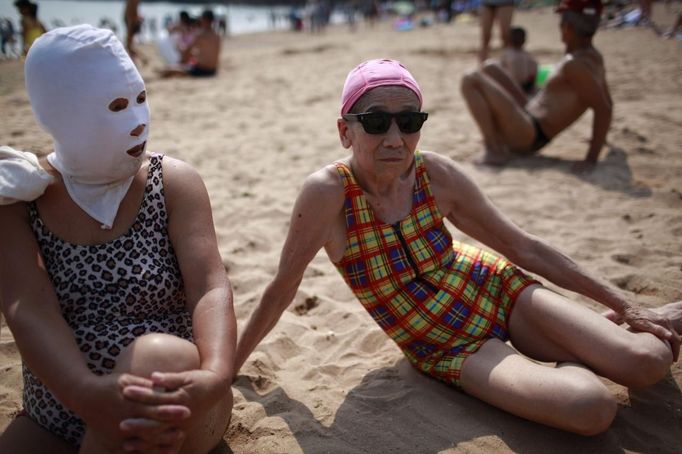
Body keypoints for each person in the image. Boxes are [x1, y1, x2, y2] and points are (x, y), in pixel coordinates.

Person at [234, 57, 681, 436]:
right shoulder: (328, 193)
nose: (395, 138)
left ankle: (600, 332)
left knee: (648, 360)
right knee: (591, 409)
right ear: (345, 131)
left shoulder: (435, 174)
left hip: (495, 288)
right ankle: (583, 343)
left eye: (409, 122)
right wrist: (228, 368)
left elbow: (523, 247)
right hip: (448, 345)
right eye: (375, 122)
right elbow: (281, 288)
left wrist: (629, 305)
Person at [0, 25, 235, 453]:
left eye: (142, 100)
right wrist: (85, 394)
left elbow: (209, 286)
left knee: (156, 357)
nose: (137, 121)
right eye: (116, 106)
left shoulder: (173, 183)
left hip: (176, 399)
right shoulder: (20, 197)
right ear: (61, 112)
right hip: (62, 405)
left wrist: (217, 375)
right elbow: (28, 308)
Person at [461, 0, 612, 171]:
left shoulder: (574, 65)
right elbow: (608, 101)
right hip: (530, 116)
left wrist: (591, 159)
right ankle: (496, 140)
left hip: (530, 133)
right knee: (490, 67)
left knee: (470, 79)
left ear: (567, 28)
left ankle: (494, 149)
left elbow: (603, 108)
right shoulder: (594, 57)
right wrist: (601, 140)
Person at [158, 10, 220, 78]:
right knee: (181, 66)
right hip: (213, 70)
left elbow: (188, 51)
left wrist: (181, 62)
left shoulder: (200, 35)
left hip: (202, 70)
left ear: (204, 19)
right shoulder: (217, 36)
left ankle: (163, 71)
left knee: (175, 68)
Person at [500, 26, 538, 95]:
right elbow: (533, 74)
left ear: (508, 40)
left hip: (510, 87)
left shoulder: (507, 54)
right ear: (524, 40)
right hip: (526, 87)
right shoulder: (529, 56)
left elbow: (502, 70)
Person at [124, 0, 146, 65]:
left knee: (129, 44)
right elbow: (132, 10)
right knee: (129, 45)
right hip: (131, 21)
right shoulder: (133, 2)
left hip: (130, 20)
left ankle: (139, 59)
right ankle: (141, 59)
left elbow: (132, 10)